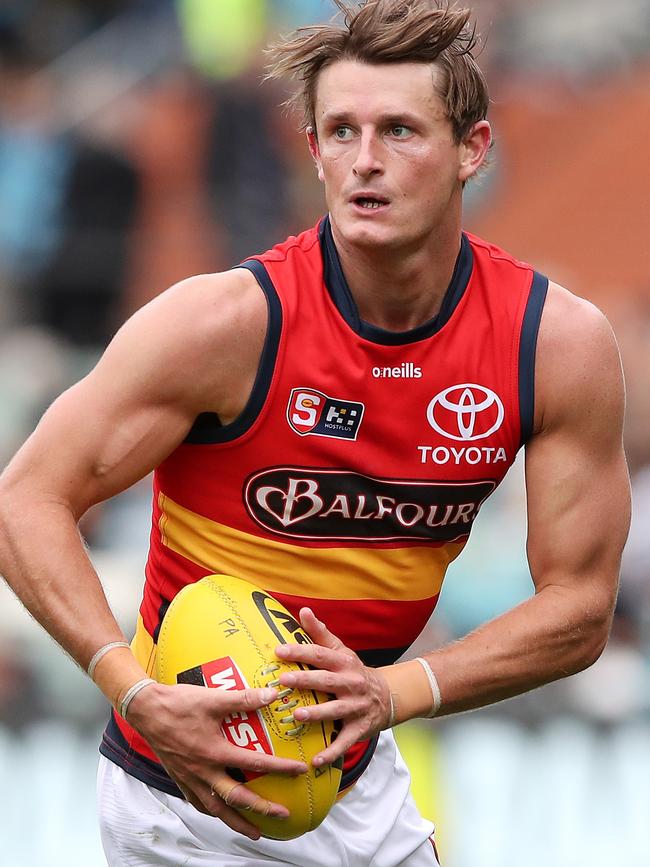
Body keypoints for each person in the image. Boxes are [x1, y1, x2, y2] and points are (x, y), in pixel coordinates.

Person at [0, 1, 631, 865]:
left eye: (401, 131)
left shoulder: (553, 346)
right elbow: (24, 497)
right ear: (313, 150)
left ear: (473, 150)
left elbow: (580, 609)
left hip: (357, 774)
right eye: (341, 130)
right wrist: (133, 688)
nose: (365, 160)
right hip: (184, 796)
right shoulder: (223, 325)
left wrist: (393, 691)